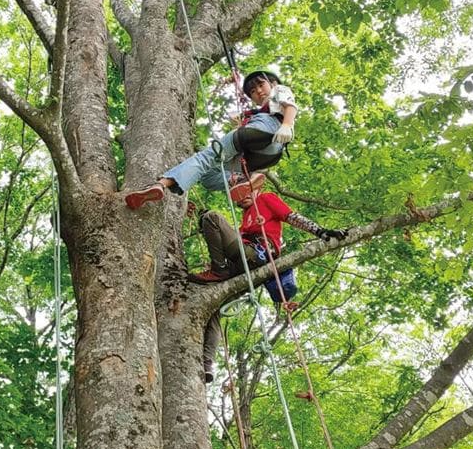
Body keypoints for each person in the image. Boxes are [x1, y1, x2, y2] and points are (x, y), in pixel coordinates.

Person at [192, 189, 348, 382]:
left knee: (212, 217)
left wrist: (320, 231)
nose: (243, 198)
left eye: (245, 192)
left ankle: (218, 269)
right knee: (215, 307)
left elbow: (292, 217)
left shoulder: (265, 199)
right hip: (245, 264)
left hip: (257, 254)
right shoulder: (244, 219)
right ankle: (207, 363)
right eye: (238, 199)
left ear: (253, 188)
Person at [125, 68, 296, 210]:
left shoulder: (278, 90)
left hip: (270, 129)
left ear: (272, 83)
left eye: (261, 85)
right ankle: (241, 179)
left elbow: (290, 105)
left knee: (205, 157)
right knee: (208, 175)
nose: (258, 91)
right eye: (253, 91)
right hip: (264, 155)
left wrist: (287, 125)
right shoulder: (255, 114)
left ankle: (161, 184)